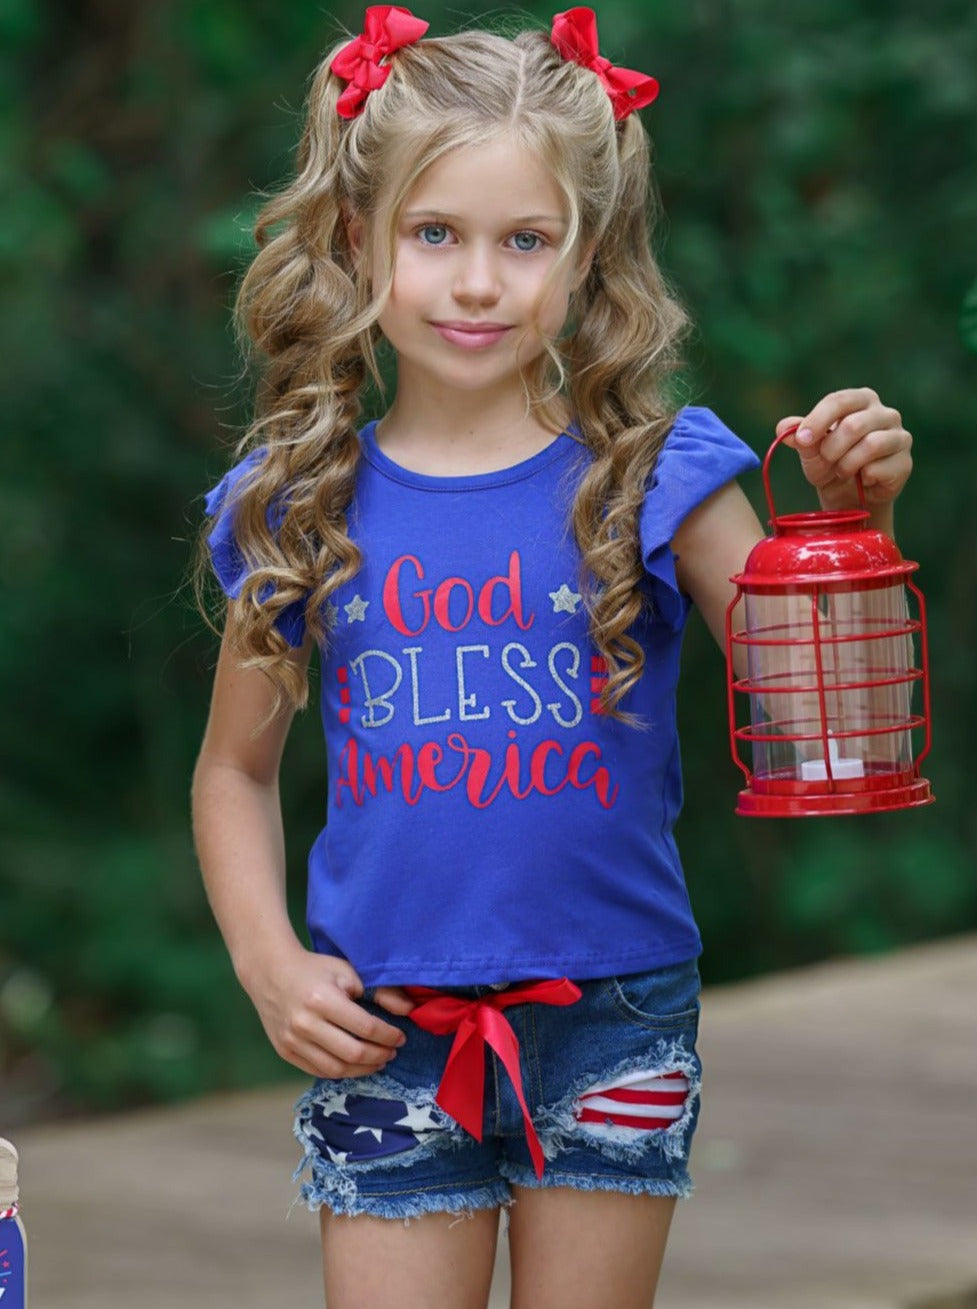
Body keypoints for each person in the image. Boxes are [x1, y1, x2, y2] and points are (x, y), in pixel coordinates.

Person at [191, 7, 913, 1307]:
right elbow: (235, 771)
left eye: (525, 240)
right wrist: (267, 960)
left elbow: (818, 714)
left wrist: (849, 530)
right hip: (385, 1033)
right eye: (435, 235)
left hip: (612, 1019)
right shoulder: (295, 500)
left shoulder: (659, 477)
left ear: (587, 259)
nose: (478, 281)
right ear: (358, 241)